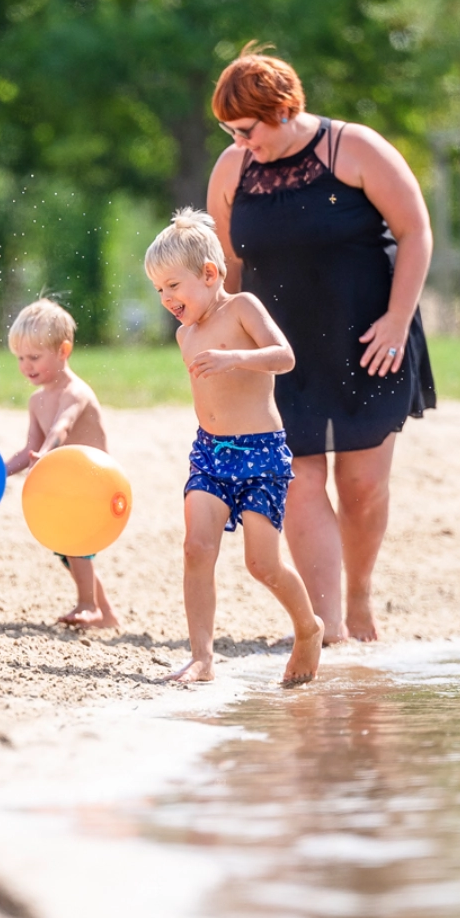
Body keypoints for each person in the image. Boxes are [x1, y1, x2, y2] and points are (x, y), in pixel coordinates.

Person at [205, 44, 437, 644]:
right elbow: (226, 267)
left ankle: (358, 596)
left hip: (368, 339)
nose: (239, 142)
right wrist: (227, 343)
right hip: (281, 351)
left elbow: (415, 231)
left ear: (282, 110)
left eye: (247, 128)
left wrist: (396, 319)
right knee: (300, 479)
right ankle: (329, 628)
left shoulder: (353, 148)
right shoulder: (233, 170)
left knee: (362, 488)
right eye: (230, 131)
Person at [145, 209, 322, 687]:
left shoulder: (242, 308)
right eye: (158, 290)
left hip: (261, 454)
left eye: (172, 286)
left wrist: (235, 358)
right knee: (196, 547)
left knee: (261, 564)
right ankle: (202, 657)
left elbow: (284, 357)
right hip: (210, 453)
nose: (165, 299)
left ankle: (308, 628)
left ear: (208, 275)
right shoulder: (186, 336)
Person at [1, 298, 119, 629]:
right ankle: (105, 613)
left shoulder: (76, 392)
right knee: (70, 551)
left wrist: (48, 451)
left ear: (63, 351)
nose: (26, 365)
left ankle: (88, 605)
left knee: (76, 546)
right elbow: (30, 450)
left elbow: (61, 428)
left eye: (35, 357)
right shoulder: (36, 400)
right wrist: (1, 471)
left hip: (94, 485)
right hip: (66, 488)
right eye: (20, 358)